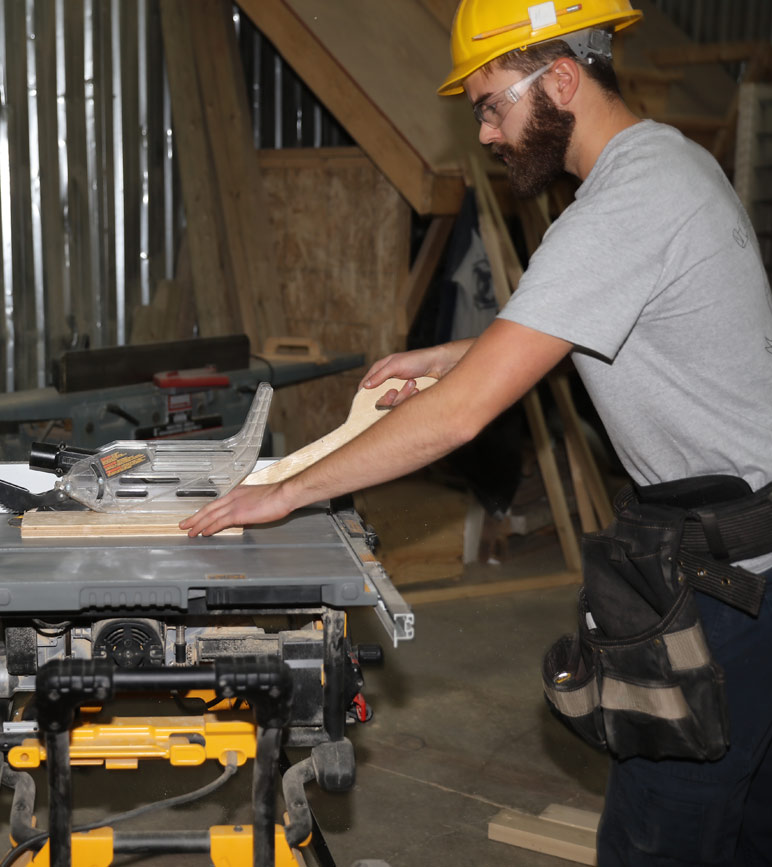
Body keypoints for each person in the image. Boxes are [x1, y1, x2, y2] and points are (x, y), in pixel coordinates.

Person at [182, 1, 772, 863]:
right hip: (755, 563)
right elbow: (612, 328)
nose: (489, 134)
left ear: (562, 78)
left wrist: (291, 490)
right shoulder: (670, 164)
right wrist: (462, 353)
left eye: (492, 104)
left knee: (663, 837)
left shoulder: (620, 207)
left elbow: (462, 419)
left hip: (731, 594)